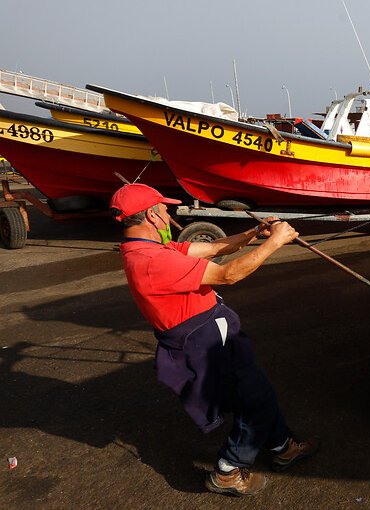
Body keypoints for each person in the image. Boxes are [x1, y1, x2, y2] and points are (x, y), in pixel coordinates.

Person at [110, 183, 319, 497]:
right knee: (255, 399)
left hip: (210, 333)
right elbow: (228, 275)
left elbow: (213, 248)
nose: (169, 214)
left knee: (256, 391)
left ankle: (283, 445)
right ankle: (228, 470)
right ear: (152, 215)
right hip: (204, 342)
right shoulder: (153, 262)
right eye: (165, 209)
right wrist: (275, 242)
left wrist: (252, 234)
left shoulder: (149, 250)